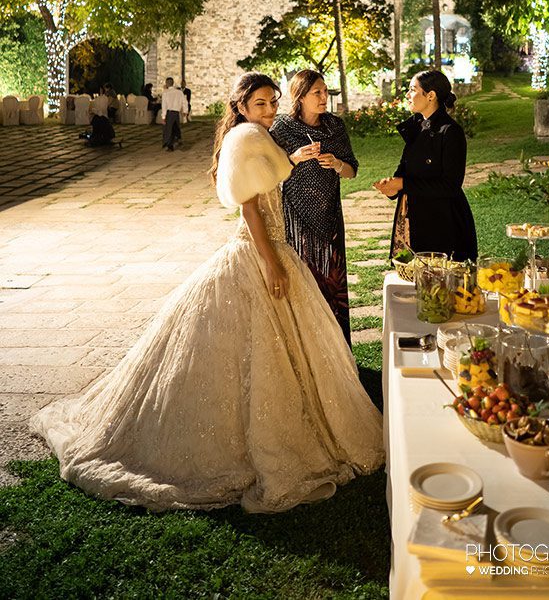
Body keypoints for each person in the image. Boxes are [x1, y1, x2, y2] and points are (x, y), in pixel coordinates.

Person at [30, 72, 384, 513]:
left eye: (273, 102)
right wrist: (272, 262)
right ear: (240, 107)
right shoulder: (245, 138)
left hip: (277, 247)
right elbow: (251, 207)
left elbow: (276, 177)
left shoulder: (258, 134)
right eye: (260, 104)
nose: (270, 110)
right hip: (259, 251)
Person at [270, 69, 358, 344]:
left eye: (325, 91)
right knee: (303, 286)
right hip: (296, 220)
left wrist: (336, 164)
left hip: (330, 217)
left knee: (332, 286)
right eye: (317, 92)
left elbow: (352, 171)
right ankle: (306, 349)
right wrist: (294, 158)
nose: (324, 97)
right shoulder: (282, 129)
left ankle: (337, 352)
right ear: (300, 96)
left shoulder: (335, 127)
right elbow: (271, 172)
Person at [375, 70, 478, 261]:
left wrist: (403, 184)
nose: (407, 95)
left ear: (431, 96)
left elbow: (450, 186)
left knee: (440, 285)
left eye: (413, 90)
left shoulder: (450, 132)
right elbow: (405, 170)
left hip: (443, 223)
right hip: (412, 218)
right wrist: (391, 188)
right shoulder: (416, 126)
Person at [161, 77, 187, 151]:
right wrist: (185, 111)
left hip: (169, 112)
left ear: (167, 83)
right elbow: (184, 102)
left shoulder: (165, 93)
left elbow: (164, 105)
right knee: (175, 127)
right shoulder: (179, 92)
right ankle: (177, 139)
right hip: (176, 112)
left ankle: (170, 145)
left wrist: (163, 116)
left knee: (169, 129)